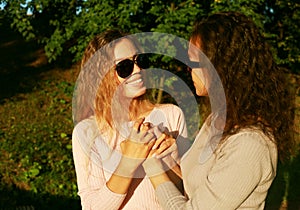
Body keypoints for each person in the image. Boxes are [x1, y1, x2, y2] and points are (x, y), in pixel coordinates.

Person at [138, 11, 296, 209]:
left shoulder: (250, 144)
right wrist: (164, 157)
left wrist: (150, 164)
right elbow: (196, 185)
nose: (188, 69)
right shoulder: (218, 120)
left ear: (221, 67)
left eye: (193, 62)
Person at [71, 29, 188, 210]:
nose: (138, 70)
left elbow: (192, 196)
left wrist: (172, 159)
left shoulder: (171, 115)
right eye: (124, 67)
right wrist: (128, 163)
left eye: (139, 61)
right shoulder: (87, 132)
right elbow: (91, 206)